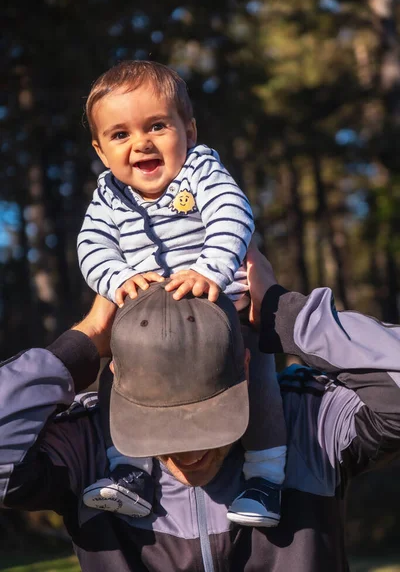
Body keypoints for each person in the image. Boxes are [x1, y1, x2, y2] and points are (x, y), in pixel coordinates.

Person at [2, 247, 400, 571]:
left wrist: (285, 315)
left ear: (245, 367)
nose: (189, 452)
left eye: (209, 416)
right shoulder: (87, 445)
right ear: (117, 381)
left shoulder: (307, 421)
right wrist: (82, 343)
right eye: (156, 421)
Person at [77, 59, 287, 527]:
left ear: (187, 130)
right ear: (100, 150)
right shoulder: (108, 196)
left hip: (220, 310)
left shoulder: (200, 170)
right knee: (117, 374)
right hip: (148, 327)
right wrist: (114, 279)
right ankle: (129, 472)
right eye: (120, 135)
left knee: (258, 373)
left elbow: (234, 213)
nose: (141, 144)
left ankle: (266, 479)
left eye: (156, 126)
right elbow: (91, 246)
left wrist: (211, 269)